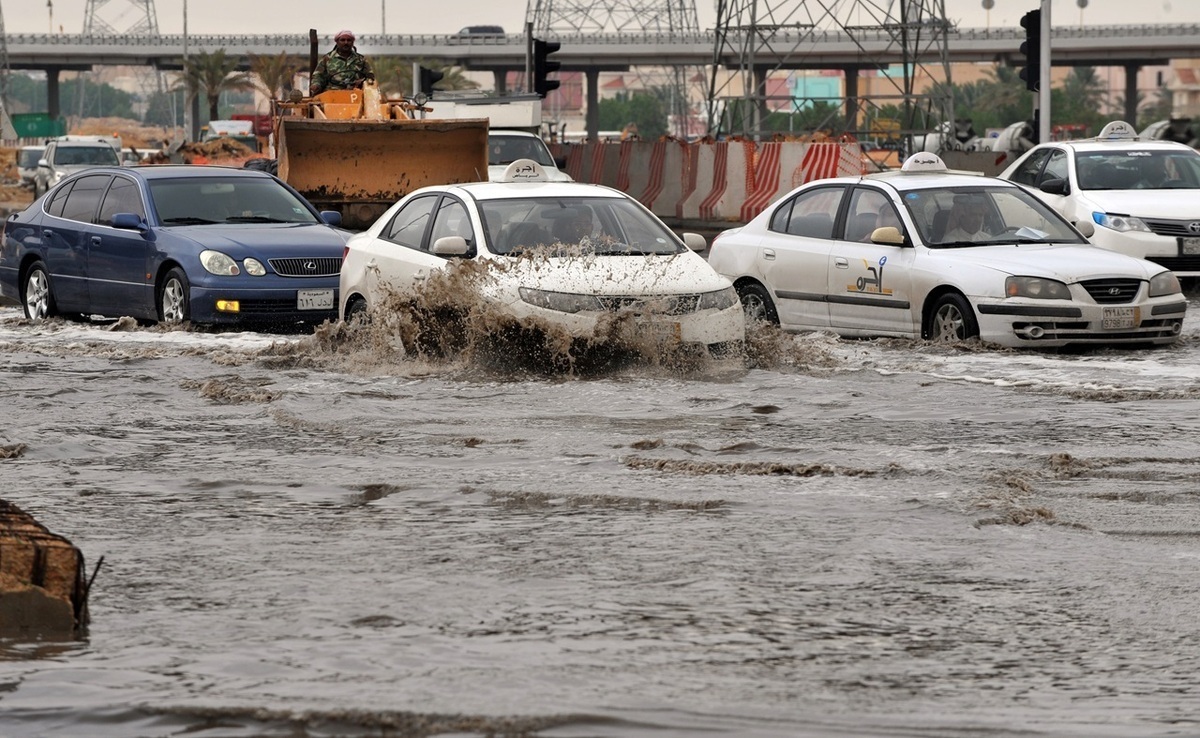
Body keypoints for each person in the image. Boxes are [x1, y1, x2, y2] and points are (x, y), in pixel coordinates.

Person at [309, 30, 376, 95]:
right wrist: (316, 85)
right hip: (332, 95)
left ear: (352, 42)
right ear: (337, 42)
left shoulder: (361, 60)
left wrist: (363, 82)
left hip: (356, 94)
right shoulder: (327, 59)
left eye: (349, 40)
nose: (346, 43)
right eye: (342, 40)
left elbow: (370, 76)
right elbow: (318, 76)